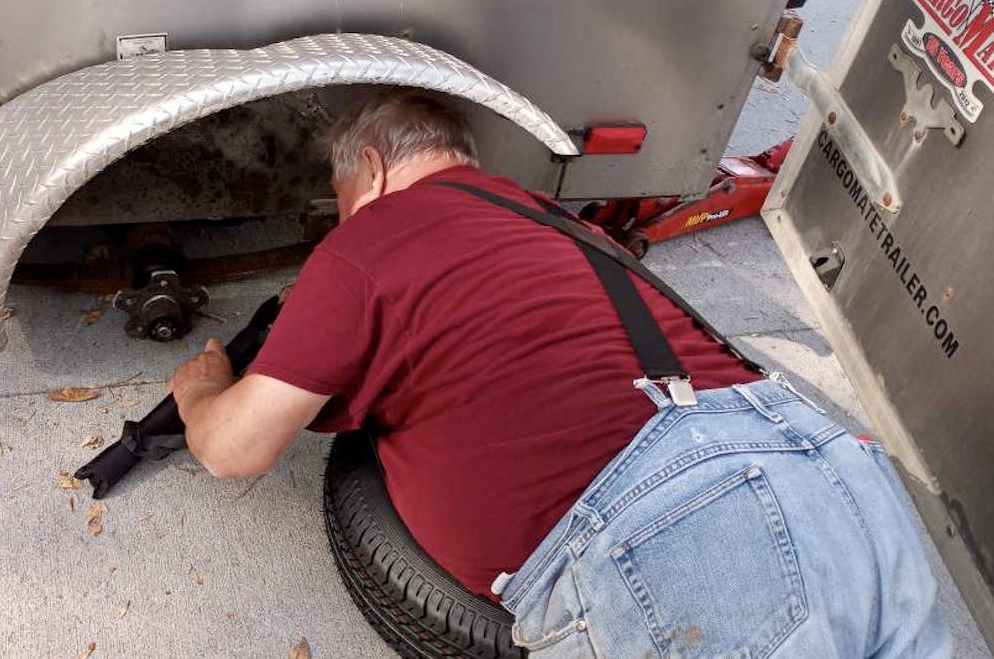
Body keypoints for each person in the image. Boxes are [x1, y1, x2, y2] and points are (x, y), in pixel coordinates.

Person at [168, 90, 950, 657]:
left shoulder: (373, 237)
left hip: (681, 524)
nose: (343, 227)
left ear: (368, 168)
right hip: (836, 472)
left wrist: (200, 392)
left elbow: (234, 449)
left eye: (343, 205)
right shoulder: (554, 221)